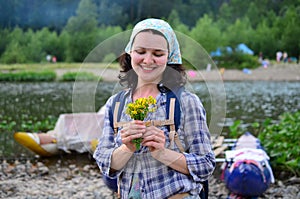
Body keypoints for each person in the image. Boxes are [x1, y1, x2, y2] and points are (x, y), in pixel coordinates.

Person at [93, 18, 215, 199]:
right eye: (140, 52)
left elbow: (206, 165)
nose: (148, 60)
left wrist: (163, 153)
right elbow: (105, 165)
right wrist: (127, 148)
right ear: (130, 53)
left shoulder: (187, 102)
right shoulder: (115, 104)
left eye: (157, 54)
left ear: (170, 56)